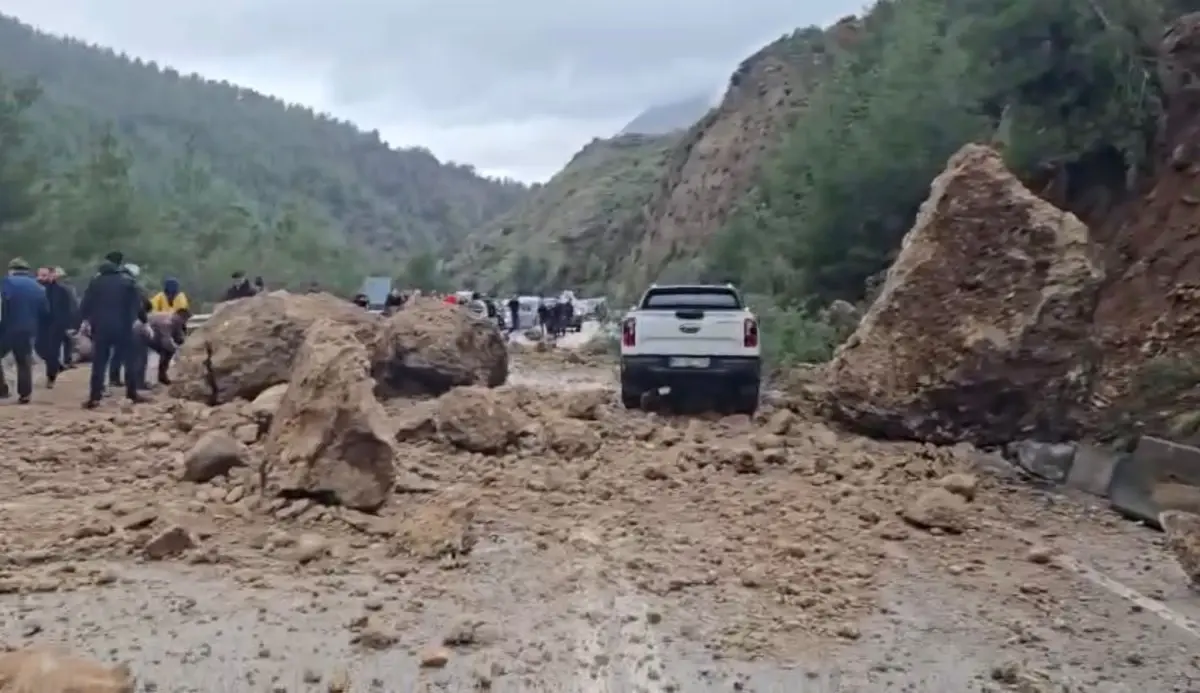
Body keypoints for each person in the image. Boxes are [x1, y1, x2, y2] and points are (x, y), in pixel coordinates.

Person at [80, 251, 146, 408]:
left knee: (99, 363)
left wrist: (84, 321)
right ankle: (132, 393)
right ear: (119, 265)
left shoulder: (95, 282)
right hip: (123, 326)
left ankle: (95, 397)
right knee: (129, 361)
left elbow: (85, 304)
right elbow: (137, 304)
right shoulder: (127, 281)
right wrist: (143, 321)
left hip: (100, 328)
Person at [0, 258, 48, 403]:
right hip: (28, 330)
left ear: (12, 270)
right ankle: (25, 394)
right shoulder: (38, 287)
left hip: (6, 328)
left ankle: (2, 389)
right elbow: (45, 311)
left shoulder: (5, 283)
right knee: (24, 361)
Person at [35, 266, 76, 388]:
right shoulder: (35, 288)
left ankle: (51, 377)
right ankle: (57, 365)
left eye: (45, 275)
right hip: (40, 324)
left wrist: (68, 324)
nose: (41, 278)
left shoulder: (61, 290)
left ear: (52, 275)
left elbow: (68, 308)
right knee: (39, 349)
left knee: (53, 351)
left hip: (56, 325)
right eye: (40, 275)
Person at [144, 308, 189, 385]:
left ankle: (162, 375)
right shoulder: (168, 322)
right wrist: (177, 351)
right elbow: (166, 341)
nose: (185, 322)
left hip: (155, 334)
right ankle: (161, 375)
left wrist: (184, 344)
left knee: (168, 351)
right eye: (185, 319)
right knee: (166, 350)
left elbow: (178, 338)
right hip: (143, 333)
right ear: (181, 317)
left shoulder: (177, 322)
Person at [52, 267, 79, 368]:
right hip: (60, 318)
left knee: (66, 340)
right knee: (61, 341)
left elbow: (73, 303)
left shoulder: (66, 287)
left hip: (63, 318)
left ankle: (65, 360)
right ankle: (61, 361)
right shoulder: (61, 288)